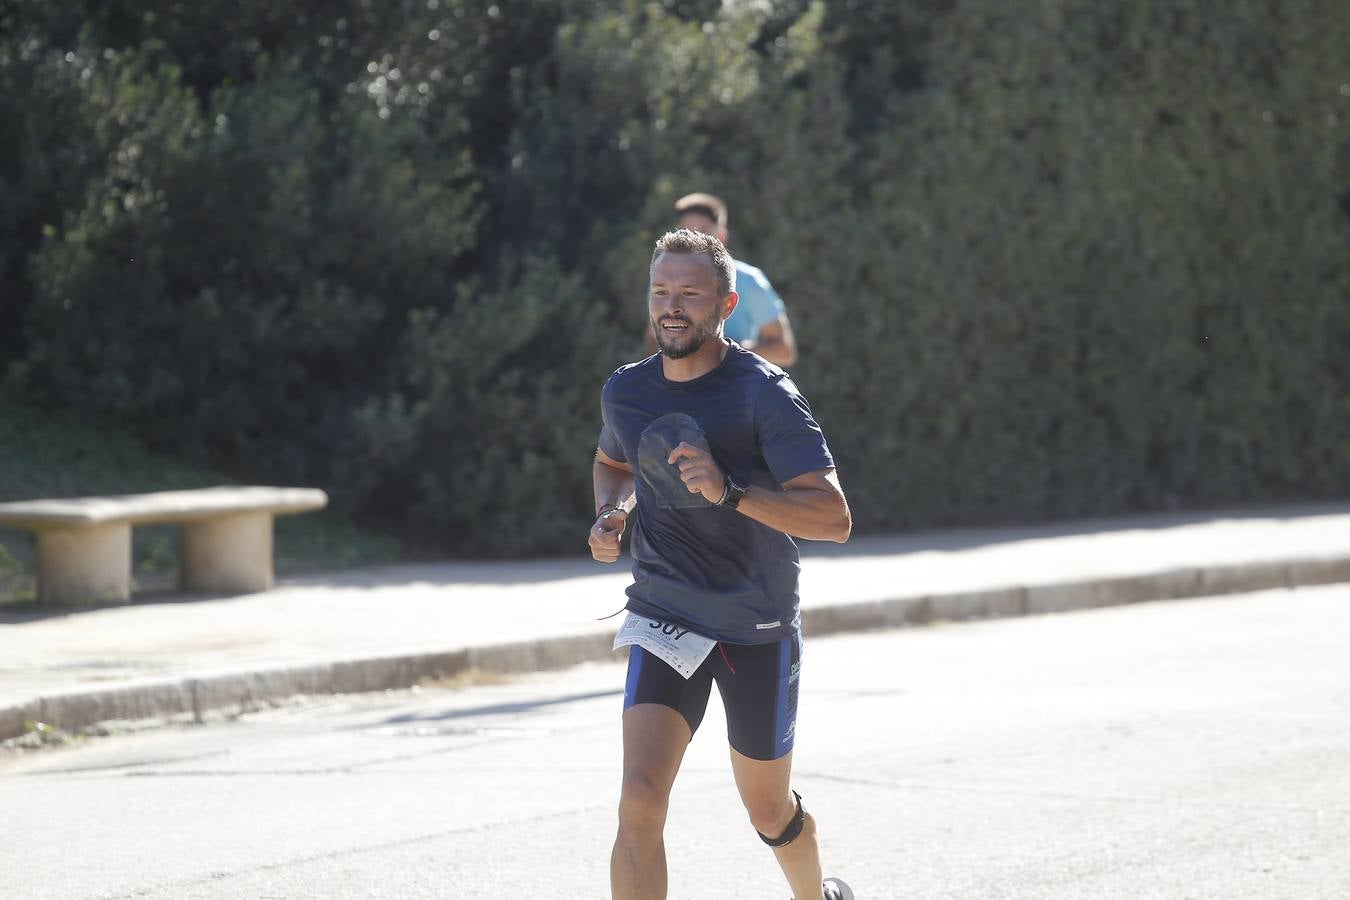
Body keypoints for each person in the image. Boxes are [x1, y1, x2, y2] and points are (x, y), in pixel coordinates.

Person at [590, 228, 854, 900]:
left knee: (768, 810)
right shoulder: (627, 390)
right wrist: (613, 511)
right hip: (666, 613)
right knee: (639, 798)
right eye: (660, 292)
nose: (671, 306)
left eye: (689, 293)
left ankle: (817, 894)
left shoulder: (764, 393)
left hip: (753, 622)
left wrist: (730, 490)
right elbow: (614, 461)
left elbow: (832, 517)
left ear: (726, 305)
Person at [642, 192, 798, 368]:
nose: (694, 240)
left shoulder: (748, 281)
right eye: (686, 232)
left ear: (722, 236)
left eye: (704, 233)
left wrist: (724, 352)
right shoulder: (663, 278)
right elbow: (653, 340)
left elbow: (785, 350)